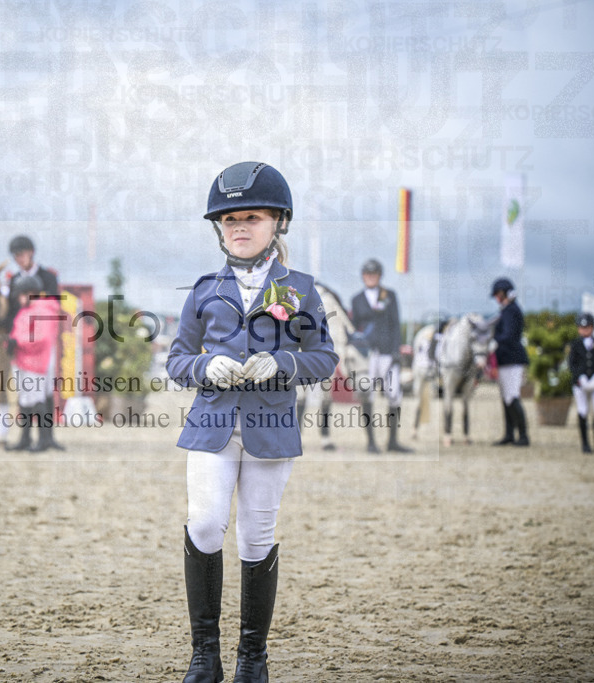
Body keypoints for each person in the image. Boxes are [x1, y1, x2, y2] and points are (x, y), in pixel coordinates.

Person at [166, 162, 338, 683]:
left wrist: (284, 364)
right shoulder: (202, 290)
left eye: (252, 216)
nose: (239, 226)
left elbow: (324, 357)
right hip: (211, 424)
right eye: (229, 219)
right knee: (205, 523)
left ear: (277, 222)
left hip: (270, 427)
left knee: (257, 536)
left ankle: (252, 657)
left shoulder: (301, 290)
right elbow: (176, 360)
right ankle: (204, 654)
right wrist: (203, 365)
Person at [349, 258, 413, 453]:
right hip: (367, 355)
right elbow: (354, 328)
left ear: (379, 276)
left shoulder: (389, 295)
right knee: (367, 395)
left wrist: (395, 350)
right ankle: (371, 442)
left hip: (386, 351)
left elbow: (395, 324)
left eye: (374, 274)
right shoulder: (357, 299)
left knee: (394, 394)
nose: (370, 277)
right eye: (367, 274)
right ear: (363, 276)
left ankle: (392, 441)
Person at [6, 275, 64, 453]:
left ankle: (43, 439)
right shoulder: (25, 311)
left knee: (36, 399)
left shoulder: (44, 311)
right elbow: (18, 332)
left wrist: (18, 343)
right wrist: (9, 343)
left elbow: (42, 338)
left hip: (36, 362)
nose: (18, 299)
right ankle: (26, 438)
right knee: (25, 400)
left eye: (21, 295)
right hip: (24, 361)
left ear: (30, 293)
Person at [490, 278, 530, 446]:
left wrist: (494, 340)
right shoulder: (507, 310)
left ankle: (523, 435)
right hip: (505, 360)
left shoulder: (511, 311)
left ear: (504, 294)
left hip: (512, 359)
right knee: (506, 397)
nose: (496, 298)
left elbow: (508, 335)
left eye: (498, 295)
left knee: (512, 396)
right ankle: (509, 434)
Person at [568, 312, 594, 454]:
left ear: (592, 328)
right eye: (582, 327)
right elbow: (572, 364)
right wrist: (580, 377)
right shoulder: (575, 344)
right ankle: (585, 444)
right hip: (580, 384)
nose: (585, 330)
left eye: (587, 327)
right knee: (582, 411)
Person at [3, 235, 60, 332]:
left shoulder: (48, 277)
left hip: (42, 328)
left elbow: (54, 304)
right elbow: (11, 308)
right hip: (19, 331)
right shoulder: (14, 280)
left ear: (31, 252)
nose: (19, 259)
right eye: (16, 255)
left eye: (22, 254)